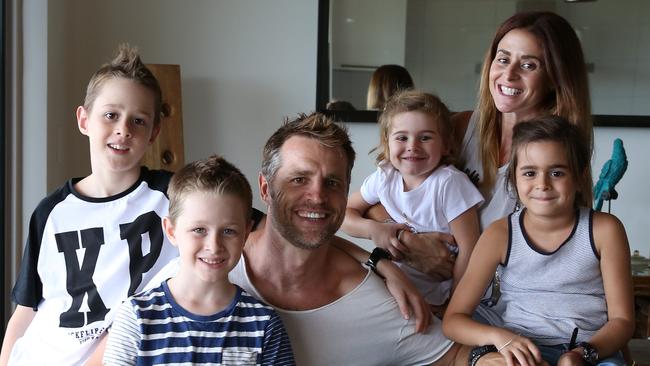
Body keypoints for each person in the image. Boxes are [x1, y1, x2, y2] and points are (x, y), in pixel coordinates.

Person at [364, 10, 594, 320]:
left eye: (528, 65)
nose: (509, 75)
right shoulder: (457, 129)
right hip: (427, 295)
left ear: (555, 78)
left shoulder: (559, 158)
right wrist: (412, 242)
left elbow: (555, 263)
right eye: (503, 59)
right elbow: (379, 200)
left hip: (499, 314)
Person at [0, 45, 180, 365]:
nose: (123, 129)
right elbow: (25, 311)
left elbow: (242, 228)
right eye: (111, 115)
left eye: (138, 121)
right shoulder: (51, 212)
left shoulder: (173, 196)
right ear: (84, 120)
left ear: (154, 132)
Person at [442, 116, 634, 366]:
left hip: (593, 352)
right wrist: (501, 338)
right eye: (530, 173)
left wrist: (581, 355)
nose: (542, 184)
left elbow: (623, 320)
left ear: (579, 177)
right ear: (514, 178)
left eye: (556, 172)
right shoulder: (499, 234)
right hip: (523, 351)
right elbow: (453, 320)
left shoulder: (605, 229)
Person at [102, 155, 295, 365]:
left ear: (246, 233)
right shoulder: (136, 317)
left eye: (229, 231)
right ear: (171, 231)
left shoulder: (264, 324)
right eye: (199, 230)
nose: (214, 246)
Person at [341, 90, 482, 311]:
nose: (412, 146)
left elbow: (470, 249)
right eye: (402, 137)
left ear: (445, 145)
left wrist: (455, 305)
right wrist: (373, 229)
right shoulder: (385, 176)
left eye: (425, 137)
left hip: (437, 297)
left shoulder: (450, 183)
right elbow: (345, 212)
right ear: (387, 143)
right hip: (392, 280)